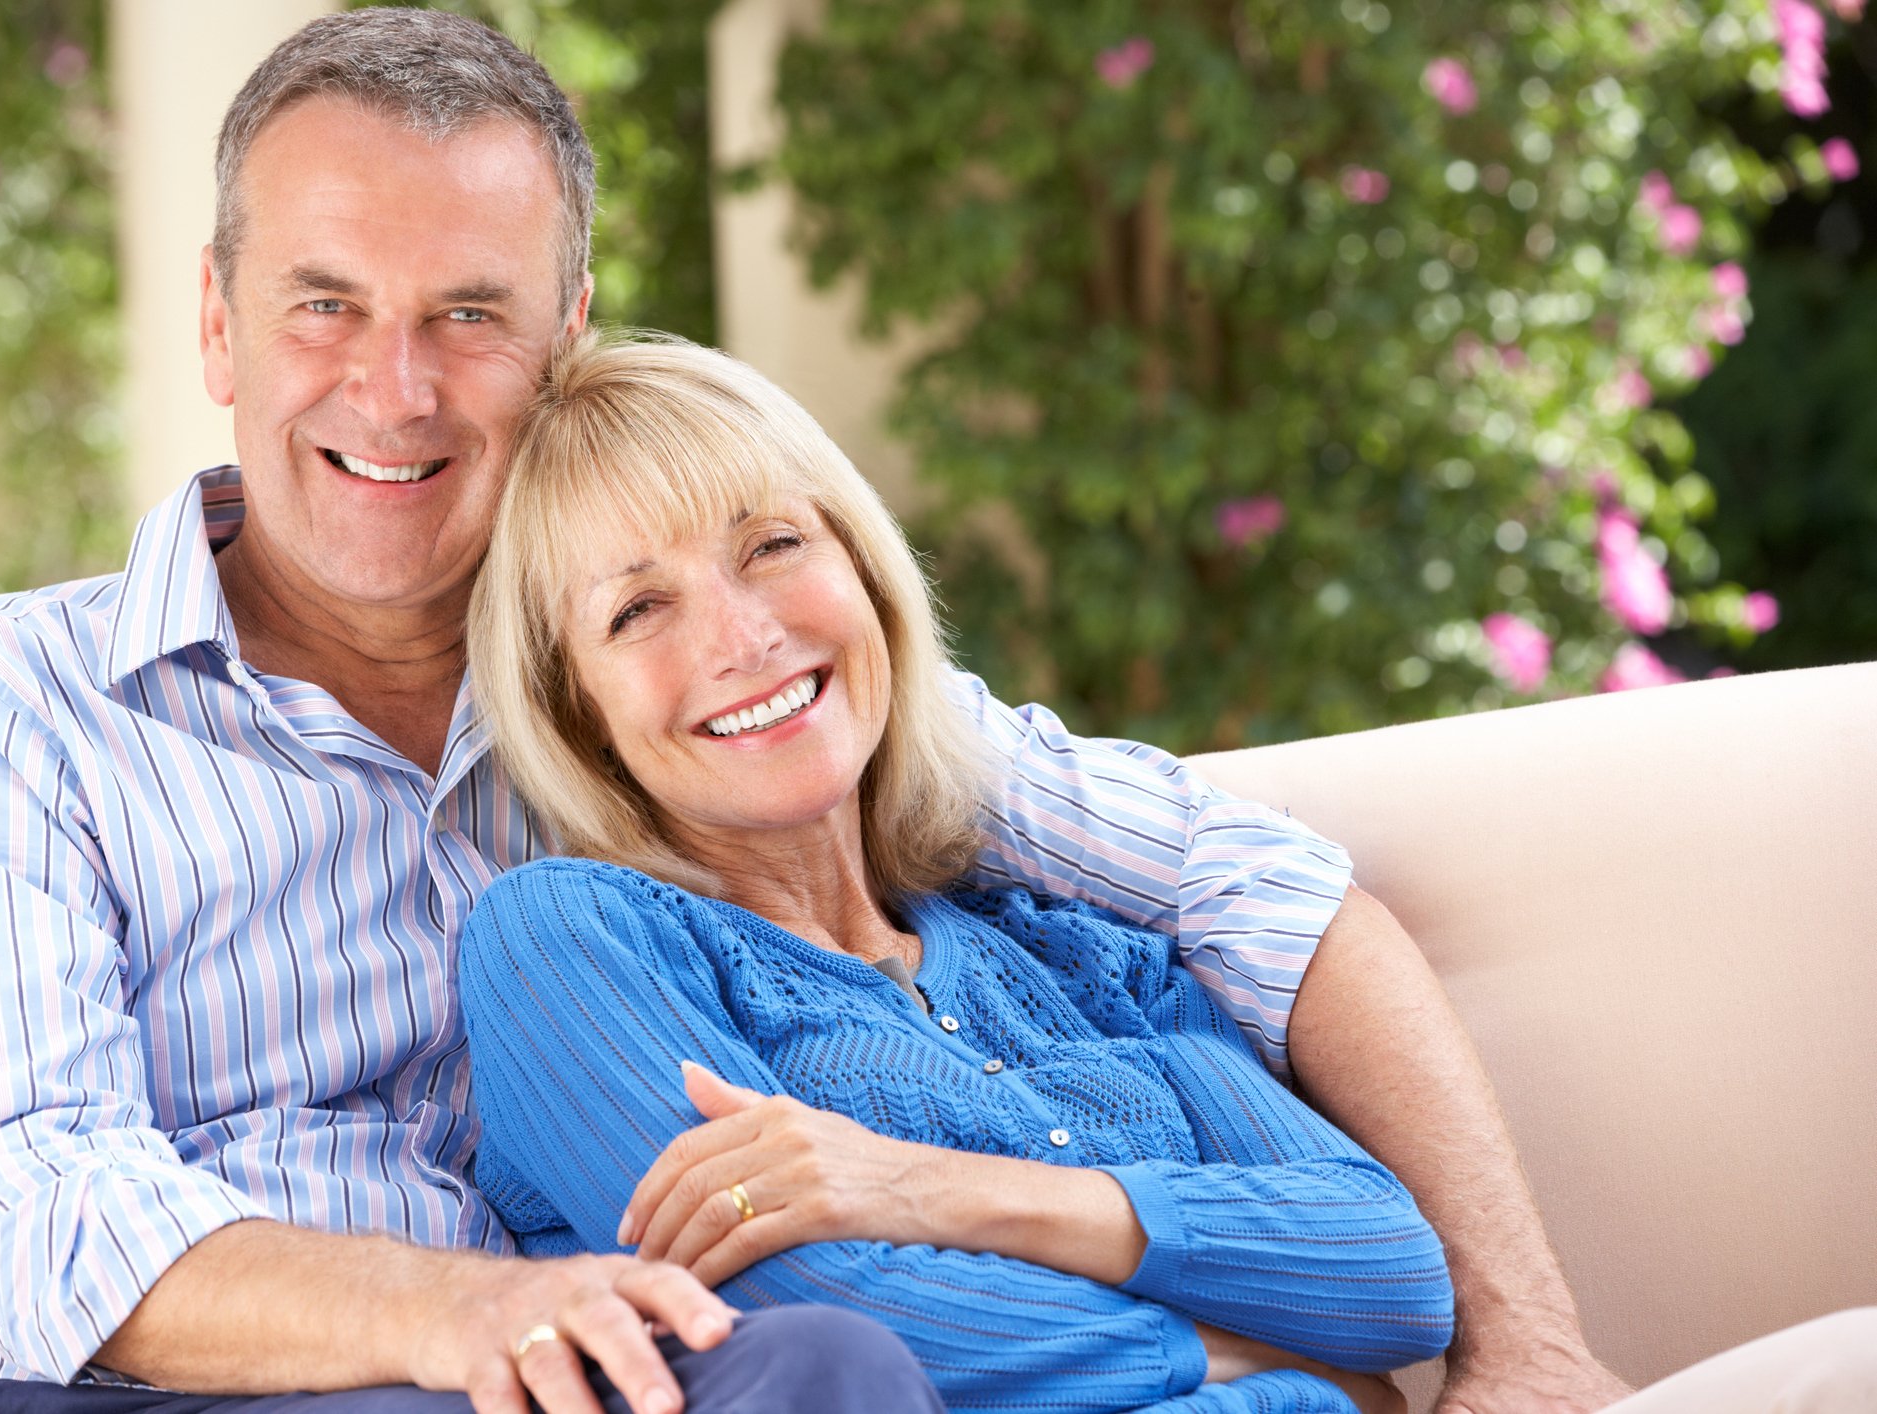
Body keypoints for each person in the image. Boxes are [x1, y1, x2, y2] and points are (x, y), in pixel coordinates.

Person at [0, 8, 1629, 1414]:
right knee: (822, 1366)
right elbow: (27, 1213)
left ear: (570, 335)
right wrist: (478, 1310)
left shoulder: (693, 701)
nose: (394, 382)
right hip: (205, 1389)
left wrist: (1525, 1343)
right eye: (321, 306)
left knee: (808, 1372)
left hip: (652, 1370)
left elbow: (1269, 894)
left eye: (471, 311)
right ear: (217, 323)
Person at [460, 329, 1455, 1413]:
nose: (741, 638)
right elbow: (815, 1325)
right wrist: (1269, 1352)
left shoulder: (1077, 949)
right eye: (637, 609)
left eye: (773, 545)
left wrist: (922, 1190)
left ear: (865, 571)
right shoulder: (569, 939)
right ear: (581, 714)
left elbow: (1394, 1272)